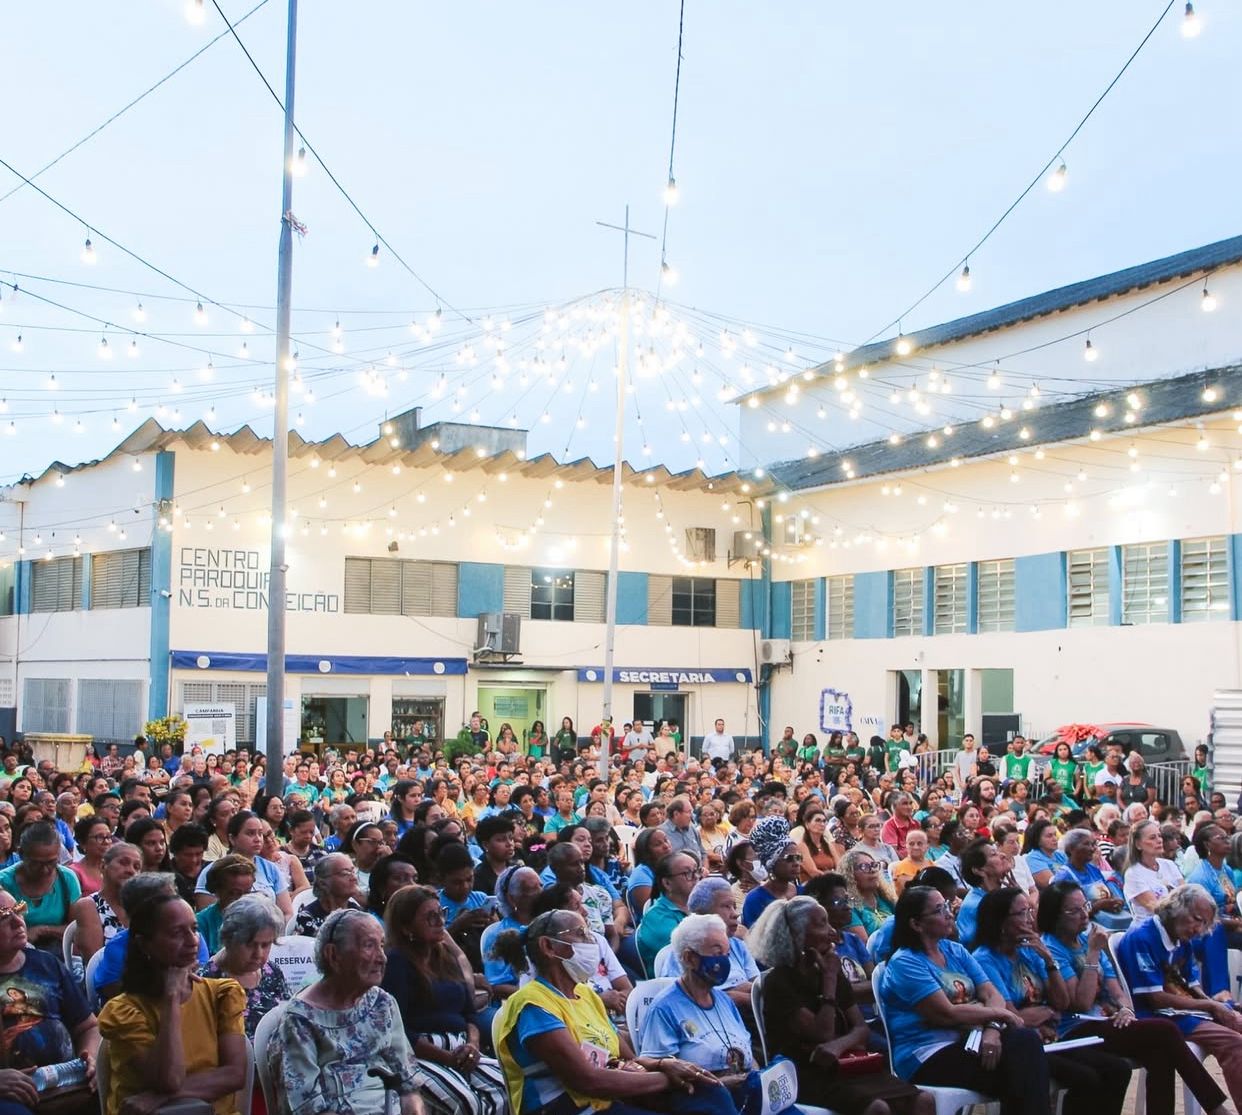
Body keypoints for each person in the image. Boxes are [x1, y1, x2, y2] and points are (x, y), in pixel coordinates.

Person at [490, 907, 711, 1115]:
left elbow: (628, 1058)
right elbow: (589, 1080)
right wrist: (668, 1078)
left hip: (606, 1104)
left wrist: (667, 1064)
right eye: (581, 934)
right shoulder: (533, 1005)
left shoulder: (586, 995)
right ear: (548, 946)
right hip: (566, 1109)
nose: (592, 940)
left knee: (708, 1098)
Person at [1038, 880, 1232, 1115]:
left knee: (1159, 1053)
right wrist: (1093, 954)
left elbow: (1117, 989)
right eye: (1074, 910)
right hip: (1076, 1028)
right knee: (1165, 1031)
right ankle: (1216, 1108)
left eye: (1085, 906)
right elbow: (1082, 1002)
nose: (1084, 914)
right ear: (1056, 915)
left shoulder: (1087, 938)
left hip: (1108, 1021)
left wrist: (1127, 1009)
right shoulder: (1054, 947)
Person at [748, 895, 930, 1115]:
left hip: (847, 1063)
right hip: (806, 1072)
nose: (831, 930)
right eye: (821, 924)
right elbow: (822, 1033)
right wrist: (829, 981)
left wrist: (839, 1046)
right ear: (797, 935)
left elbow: (861, 1029)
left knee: (922, 1100)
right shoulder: (779, 982)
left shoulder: (829, 968)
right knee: (878, 1108)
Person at [879, 886, 1049, 1115]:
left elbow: (991, 994)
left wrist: (993, 1030)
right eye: (939, 910)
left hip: (972, 1041)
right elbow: (946, 1013)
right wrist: (1002, 1015)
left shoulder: (955, 950)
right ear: (916, 924)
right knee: (1023, 1068)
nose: (949, 914)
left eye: (947, 906)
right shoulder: (905, 963)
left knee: (1024, 1057)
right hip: (928, 1054)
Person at [971, 888, 1131, 1115]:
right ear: (1001, 922)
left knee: (1118, 1069)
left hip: (1051, 1037)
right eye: (1022, 913)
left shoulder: (1030, 951)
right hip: (1021, 1044)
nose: (1029, 919)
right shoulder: (985, 959)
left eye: (1030, 911)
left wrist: (1048, 958)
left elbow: (1062, 1002)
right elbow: (1013, 1016)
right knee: (1085, 1077)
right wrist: (1046, 1011)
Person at [264, 908, 425, 1115]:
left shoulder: (382, 1004)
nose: (382, 958)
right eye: (369, 946)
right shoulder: (300, 1021)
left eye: (382, 946)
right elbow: (305, 1107)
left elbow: (408, 1084)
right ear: (333, 955)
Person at [97, 893, 247, 1115]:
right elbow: (168, 1080)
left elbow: (234, 1074)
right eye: (177, 933)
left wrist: (159, 1097)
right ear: (144, 944)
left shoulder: (222, 994)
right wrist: (171, 998)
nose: (192, 940)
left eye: (194, 929)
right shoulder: (124, 1011)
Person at [381, 884, 508, 1115]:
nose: (440, 921)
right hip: (421, 1053)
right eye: (430, 917)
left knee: (505, 1087)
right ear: (406, 926)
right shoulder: (396, 962)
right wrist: (448, 1058)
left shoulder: (445, 956)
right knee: (467, 1102)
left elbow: (469, 1013)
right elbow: (399, 1030)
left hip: (462, 1046)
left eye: (441, 913)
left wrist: (472, 1045)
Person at [1114, 884, 1242, 1110]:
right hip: (1159, 1016)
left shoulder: (1182, 939)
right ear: (1176, 907)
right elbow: (1156, 998)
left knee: (1237, 1021)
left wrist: (1217, 1004)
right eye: (1196, 918)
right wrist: (1211, 1006)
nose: (1198, 928)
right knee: (1233, 1042)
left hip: (1186, 1013)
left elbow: (1192, 986)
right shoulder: (1142, 937)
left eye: (1204, 923)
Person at [0, 889, 100, 1111]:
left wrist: (91, 1056)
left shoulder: (46, 964)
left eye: (18, 910)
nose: (18, 923)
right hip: (11, 1098)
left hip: (65, 1084)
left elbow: (88, 1026)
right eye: (3, 917)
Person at [654, 878, 758, 1013]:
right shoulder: (681, 954)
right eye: (726, 906)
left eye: (734, 906)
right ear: (701, 914)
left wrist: (751, 992)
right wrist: (731, 996)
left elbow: (756, 985)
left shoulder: (738, 945)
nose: (735, 914)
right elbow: (680, 1000)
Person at [200, 894, 290, 1039]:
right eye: (250, 944)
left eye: (266, 945)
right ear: (229, 939)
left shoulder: (272, 972)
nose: (258, 953)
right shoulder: (207, 981)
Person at [194, 810, 292, 920]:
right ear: (232, 838)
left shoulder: (271, 868)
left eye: (260, 833)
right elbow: (208, 918)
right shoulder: (213, 871)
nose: (258, 839)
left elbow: (286, 912)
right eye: (250, 833)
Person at [0, 822, 81, 952]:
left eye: (51, 862)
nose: (45, 870)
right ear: (21, 854)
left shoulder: (66, 879)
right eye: (36, 864)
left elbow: (76, 929)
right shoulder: (3, 882)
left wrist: (42, 930)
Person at [72, 841, 141, 963]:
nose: (131, 870)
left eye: (137, 867)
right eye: (123, 863)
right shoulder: (88, 906)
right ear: (103, 866)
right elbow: (94, 962)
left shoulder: (142, 906)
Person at [635, 852, 695, 975]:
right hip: (676, 983)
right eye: (687, 873)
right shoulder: (656, 917)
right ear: (667, 883)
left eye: (697, 870)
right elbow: (692, 952)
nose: (696, 877)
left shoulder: (699, 907)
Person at [1048, 829, 1126, 922]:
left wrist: (1115, 902)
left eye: (1093, 844)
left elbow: (1109, 894)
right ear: (1071, 848)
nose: (1092, 848)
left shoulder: (1093, 870)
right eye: (1086, 844)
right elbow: (1066, 914)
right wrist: (1098, 906)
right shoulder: (1064, 877)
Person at [1186, 823, 1242, 948]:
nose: (1227, 841)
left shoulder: (1226, 869)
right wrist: (1235, 924)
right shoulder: (1200, 877)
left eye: (1227, 837)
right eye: (1221, 838)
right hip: (1210, 932)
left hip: (1231, 922)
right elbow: (1202, 918)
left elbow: (1232, 902)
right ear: (1207, 845)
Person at [741, 817, 802, 928]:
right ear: (771, 862)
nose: (796, 863)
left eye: (798, 857)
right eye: (789, 858)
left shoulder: (802, 892)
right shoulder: (755, 900)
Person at [1123, 819, 1185, 924]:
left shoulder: (1169, 865)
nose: (1159, 840)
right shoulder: (1133, 874)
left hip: (1179, 922)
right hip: (1150, 928)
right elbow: (1156, 908)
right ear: (1138, 844)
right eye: (1152, 838)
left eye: (1159, 836)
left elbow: (1186, 894)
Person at [196, 854, 258, 954]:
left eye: (247, 893)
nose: (241, 900)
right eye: (233, 893)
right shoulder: (202, 922)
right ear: (217, 890)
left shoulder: (258, 919)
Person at [292, 851, 363, 937]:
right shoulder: (307, 917)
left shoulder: (357, 912)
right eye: (345, 873)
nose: (354, 878)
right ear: (323, 883)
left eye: (353, 871)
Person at [839, 846, 896, 941]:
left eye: (874, 865)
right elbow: (865, 945)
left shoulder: (886, 899)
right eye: (864, 867)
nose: (872, 870)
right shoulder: (849, 907)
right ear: (851, 874)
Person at [69, 815, 113, 897]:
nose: (106, 842)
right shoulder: (74, 873)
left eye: (108, 837)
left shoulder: (115, 868)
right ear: (83, 843)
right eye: (99, 837)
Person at [1019, 819, 1064, 888]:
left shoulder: (1060, 854)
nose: (1055, 839)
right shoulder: (1033, 859)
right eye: (1049, 836)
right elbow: (1054, 886)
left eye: (1055, 835)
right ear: (1038, 840)